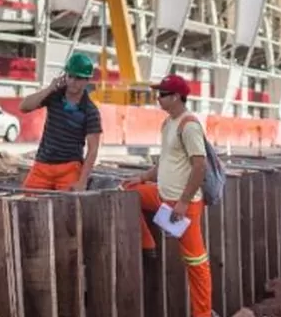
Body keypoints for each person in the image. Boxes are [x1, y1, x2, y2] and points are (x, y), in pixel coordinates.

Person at [121, 74, 212, 317]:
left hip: (184, 205)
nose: (158, 98)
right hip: (162, 196)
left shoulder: (188, 125)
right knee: (129, 191)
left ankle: (202, 314)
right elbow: (165, 163)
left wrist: (183, 202)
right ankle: (147, 242)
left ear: (176, 97)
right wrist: (142, 178)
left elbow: (199, 166)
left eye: (162, 94)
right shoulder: (168, 124)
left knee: (196, 262)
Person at [18, 52, 102, 191]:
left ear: (87, 80)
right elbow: (24, 107)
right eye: (70, 76)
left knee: (67, 207)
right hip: (42, 166)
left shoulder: (90, 111)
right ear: (65, 76)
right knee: (26, 204)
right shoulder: (54, 95)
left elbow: (93, 149)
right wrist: (49, 89)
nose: (73, 81)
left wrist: (82, 182)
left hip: (69, 168)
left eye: (79, 78)